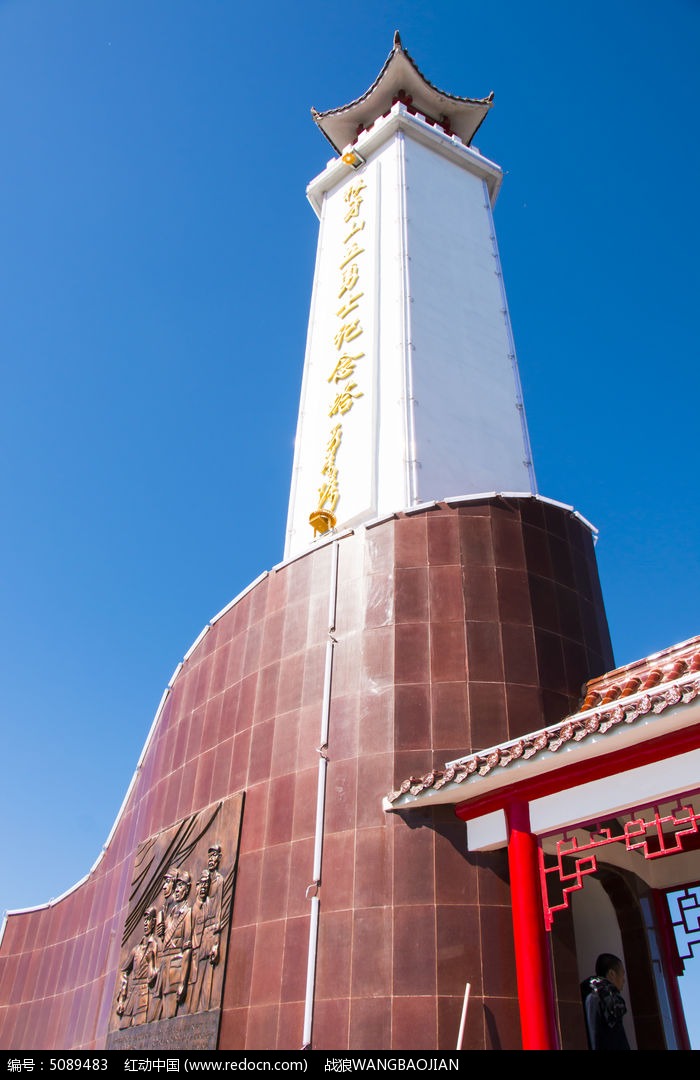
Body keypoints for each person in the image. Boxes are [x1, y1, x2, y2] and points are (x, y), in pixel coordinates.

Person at [116, 907, 159, 1028]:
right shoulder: (136, 949)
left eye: (149, 920)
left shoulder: (154, 945)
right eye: (145, 920)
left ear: (154, 922)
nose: (146, 923)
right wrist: (122, 998)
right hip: (131, 994)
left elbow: (152, 977)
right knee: (124, 1026)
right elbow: (124, 971)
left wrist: (151, 961)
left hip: (144, 993)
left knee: (139, 1027)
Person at [583, 953, 631, 1050]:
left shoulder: (588, 995)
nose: (624, 980)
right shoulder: (606, 998)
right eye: (622, 974)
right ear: (612, 974)